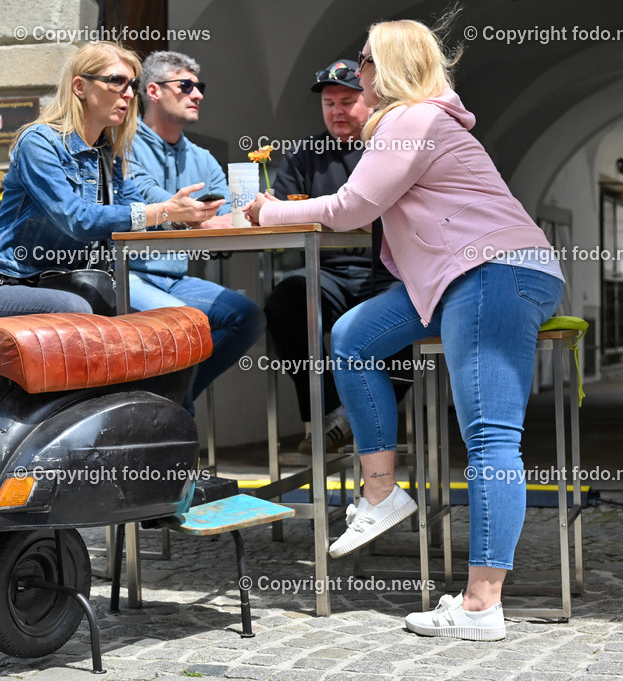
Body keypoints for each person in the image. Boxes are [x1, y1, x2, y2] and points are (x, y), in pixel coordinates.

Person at [247, 19, 565, 641]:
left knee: (491, 438)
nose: (356, 71)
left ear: (384, 64)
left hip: (492, 272)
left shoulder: (410, 120)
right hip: (451, 277)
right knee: (353, 338)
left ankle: (481, 606)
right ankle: (383, 492)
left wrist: (269, 209)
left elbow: (350, 208)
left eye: (363, 59)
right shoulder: (412, 122)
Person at [0, 41, 223, 322]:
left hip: (74, 285)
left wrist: (183, 217)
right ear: (80, 87)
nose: (128, 94)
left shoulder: (108, 154)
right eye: (116, 82)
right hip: (8, 286)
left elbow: (134, 214)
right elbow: (78, 220)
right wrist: (165, 210)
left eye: (132, 85)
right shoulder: (38, 142)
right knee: (78, 308)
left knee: (174, 323)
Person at [264, 58, 409, 454]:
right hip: (324, 271)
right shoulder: (305, 153)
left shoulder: (386, 145)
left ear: (370, 101)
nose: (337, 111)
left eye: (347, 100)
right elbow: (279, 213)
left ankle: (354, 420)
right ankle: (326, 411)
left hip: (386, 270)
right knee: (284, 302)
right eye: (329, 103)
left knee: (404, 311)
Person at [127, 51, 261, 403]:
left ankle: (169, 400)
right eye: (185, 85)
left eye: (198, 86)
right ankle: (173, 407)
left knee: (247, 316)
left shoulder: (201, 157)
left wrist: (204, 216)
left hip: (174, 278)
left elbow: (238, 212)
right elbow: (160, 204)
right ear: (153, 91)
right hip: (127, 274)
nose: (198, 94)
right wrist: (195, 215)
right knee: (186, 326)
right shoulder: (122, 143)